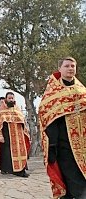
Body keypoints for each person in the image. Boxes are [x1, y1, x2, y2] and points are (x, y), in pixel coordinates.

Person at [38, 56, 86, 199]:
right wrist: (52, 145)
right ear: (60, 69)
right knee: (72, 178)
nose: (71, 68)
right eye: (67, 66)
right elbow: (47, 118)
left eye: (73, 66)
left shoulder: (82, 90)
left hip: (83, 143)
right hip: (64, 144)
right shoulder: (52, 93)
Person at [0, 92, 30, 178]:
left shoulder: (17, 109)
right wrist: (1, 136)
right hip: (7, 136)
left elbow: (23, 122)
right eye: (9, 98)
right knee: (7, 153)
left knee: (21, 151)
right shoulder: (2, 111)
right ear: (6, 99)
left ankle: (21, 169)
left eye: (12, 98)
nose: (11, 100)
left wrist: (26, 132)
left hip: (19, 135)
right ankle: (9, 169)